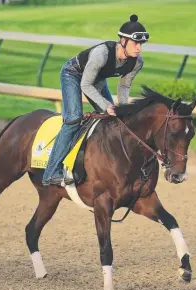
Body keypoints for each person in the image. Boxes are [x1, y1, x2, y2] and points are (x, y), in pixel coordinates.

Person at [42, 14, 149, 186]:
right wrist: (107, 105)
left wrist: (121, 109)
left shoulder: (137, 62)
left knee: (114, 119)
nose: (139, 49)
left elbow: (124, 87)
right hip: (73, 74)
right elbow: (85, 85)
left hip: (96, 79)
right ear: (123, 40)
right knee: (73, 119)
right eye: (135, 43)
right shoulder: (101, 54)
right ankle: (51, 172)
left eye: (141, 44)